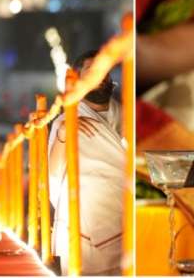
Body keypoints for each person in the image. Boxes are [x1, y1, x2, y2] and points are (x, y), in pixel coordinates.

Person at [48, 51, 126, 275]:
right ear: (78, 79)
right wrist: (64, 134)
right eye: (92, 71)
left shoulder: (126, 113)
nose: (100, 76)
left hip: (128, 216)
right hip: (85, 226)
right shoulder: (66, 120)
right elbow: (53, 175)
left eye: (104, 71)